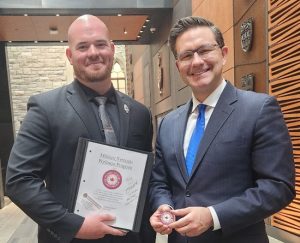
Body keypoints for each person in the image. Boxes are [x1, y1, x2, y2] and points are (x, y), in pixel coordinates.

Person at [6, 15, 155, 243]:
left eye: (101, 44)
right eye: (83, 47)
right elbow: (20, 180)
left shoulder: (139, 113)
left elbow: (145, 180)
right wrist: (74, 225)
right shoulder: (45, 108)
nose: (93, 52)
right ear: (70, 55)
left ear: (112, 49)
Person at [149, 16, 295, 243]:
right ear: (178, 66)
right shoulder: (169, 123)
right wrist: (163, 206)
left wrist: (213, 216)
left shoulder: (259, 109)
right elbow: (160, 182)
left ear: (224, 53)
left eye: (204, 50)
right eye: (187, 55)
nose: (196, 61)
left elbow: (278, 187)